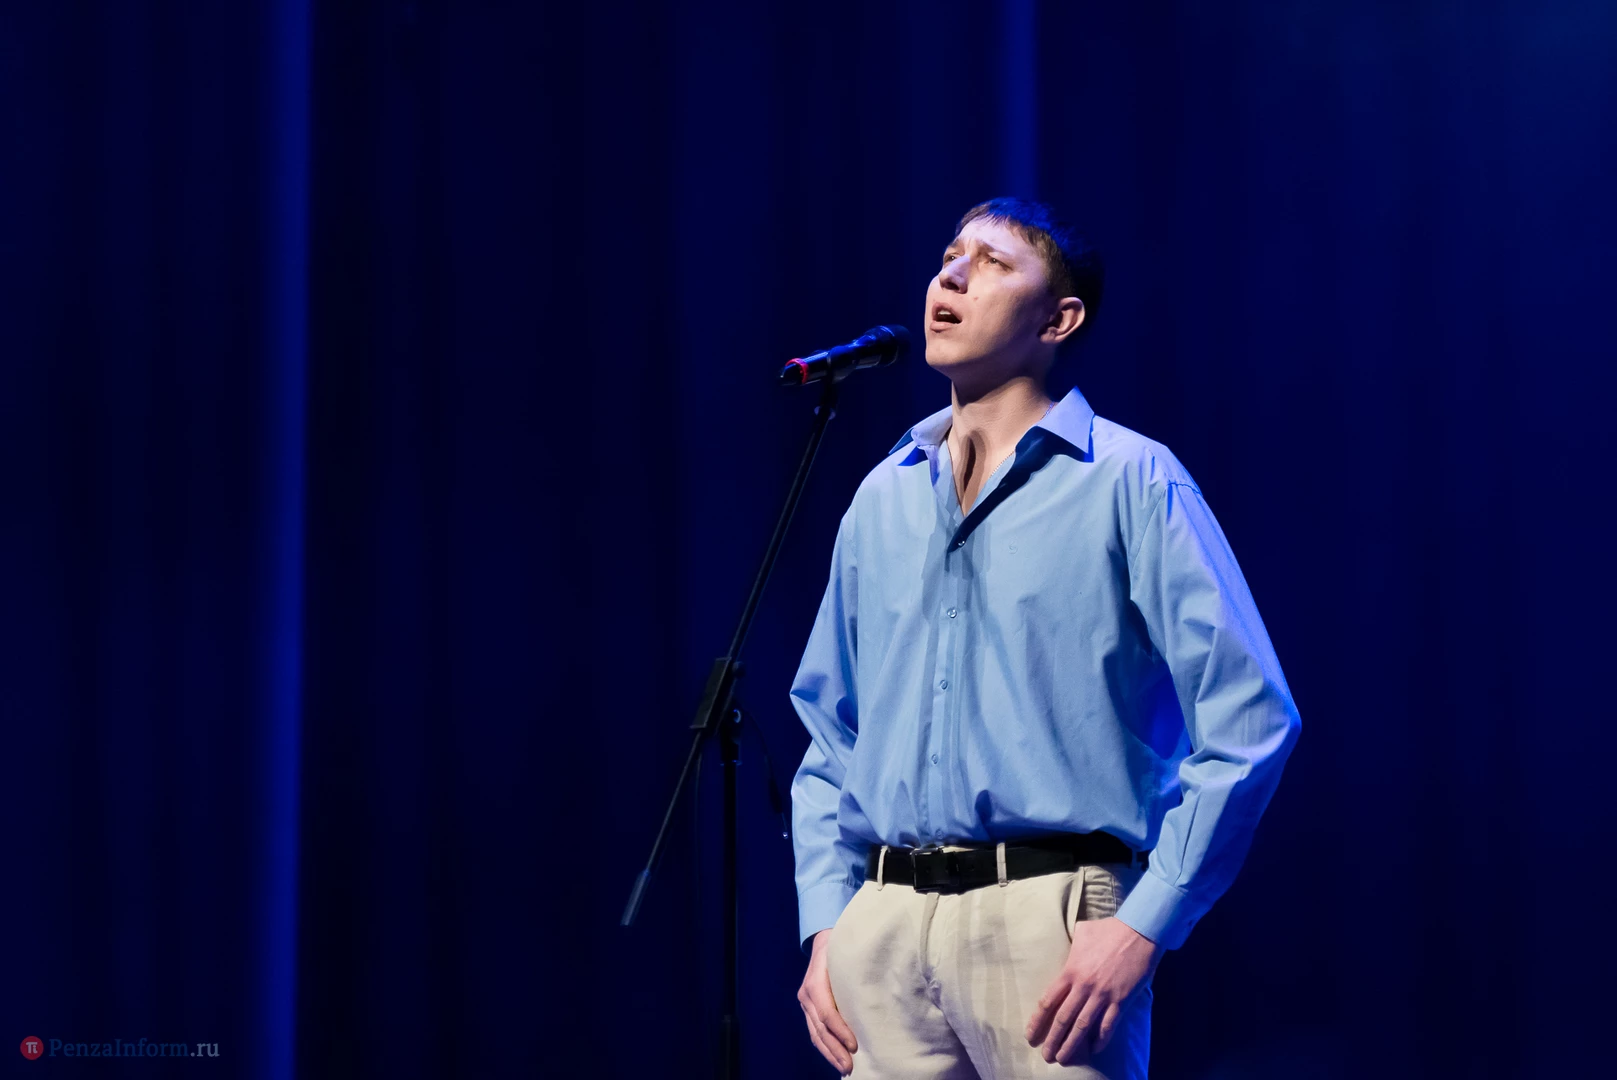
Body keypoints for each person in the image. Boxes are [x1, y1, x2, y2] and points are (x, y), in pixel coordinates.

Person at [789, 197, 1301, 1079]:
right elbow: (830, 732)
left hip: (1049, 918)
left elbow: (1250, 719)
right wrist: (828, 920)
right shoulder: (883, 494)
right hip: (884, 923)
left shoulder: (1129, 478)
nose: (951, 276)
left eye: (991, 263)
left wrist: (1145, 921)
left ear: (1057, 320)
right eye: (948, 257)